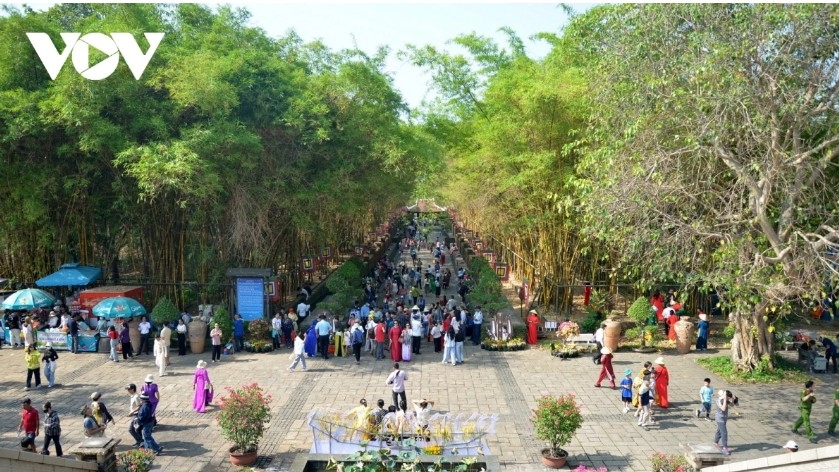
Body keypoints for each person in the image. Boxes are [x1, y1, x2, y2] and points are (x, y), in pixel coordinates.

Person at [714, 389, 732, 455]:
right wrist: (725, 399)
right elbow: (723, 408)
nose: (728, 399)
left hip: (724, 418)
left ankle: (715, 442)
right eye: (728, 397)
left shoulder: (726, 400)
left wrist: (732, 399)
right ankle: (725, 448)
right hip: (720, 419)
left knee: (719, 430)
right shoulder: (719, 400)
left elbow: (732, 405)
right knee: (724, 433)